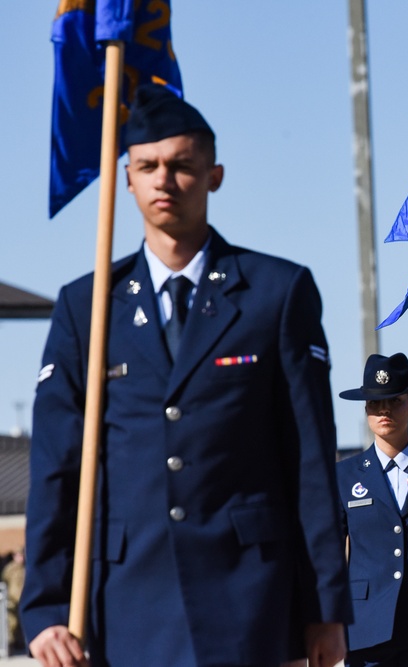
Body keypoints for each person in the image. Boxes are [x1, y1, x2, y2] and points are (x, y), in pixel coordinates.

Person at [21, 85, 351, 666]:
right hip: (123, 599)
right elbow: (56, 467)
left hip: (250, 595)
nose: (163, 181)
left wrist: (323, 607)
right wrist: (45, 606)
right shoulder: (87, 306)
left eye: (181, 166)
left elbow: (309, 460)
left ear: (214, 175)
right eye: (147, 167)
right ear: (126, 179)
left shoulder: (277, 292)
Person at [337, 353, 408, 667]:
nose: (384, 411)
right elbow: (330, 557)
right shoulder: (343, 476)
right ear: (366, 410)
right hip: (363, 629)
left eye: (394, 401)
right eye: (375, 404)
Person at [2, 549, 25, 651]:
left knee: (22, 622)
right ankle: (11, 644)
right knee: (12, 622)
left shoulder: (26, 568)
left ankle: (21, 642)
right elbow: (4, 580)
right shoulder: (11, 568)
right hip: (12, 599)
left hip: (23, 598)